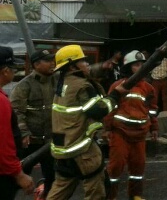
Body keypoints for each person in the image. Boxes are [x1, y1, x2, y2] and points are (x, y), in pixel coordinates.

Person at [46, 44, 126, 200]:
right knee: (95, 189)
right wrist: (116, 95)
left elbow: (89, 72)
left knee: (60, 189)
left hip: (63, 149)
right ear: (72, 66)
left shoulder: (63, 83)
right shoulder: (82, 86)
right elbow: (98, 110)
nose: (87, 64)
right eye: (83, 61)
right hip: (82, 149)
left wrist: (104, 66)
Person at [104, 50, 158, 200]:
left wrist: (154, 128)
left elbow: (152, 111)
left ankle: (136, 196)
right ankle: (110, 197)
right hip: (120, 133)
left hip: (140, 135)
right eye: (136, 65)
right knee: (115, 168)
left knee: (138, 168)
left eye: (142, 65)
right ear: (128, 67)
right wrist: (107, 129)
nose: (140, 68)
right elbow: (110, 107)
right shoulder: (118, 85)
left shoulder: (148, 88)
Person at [9, 49, 57, 198]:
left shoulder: (58, 80)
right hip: (30, 143)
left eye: (52, 60)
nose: (52, 63)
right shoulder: (25, 85)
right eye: (48, 60)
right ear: (36, 64)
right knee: (18, 180)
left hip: (50, 142)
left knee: (53, 179)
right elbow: (16, 111)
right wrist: (24, 133)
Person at [0, 46, 35, 200]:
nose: (15, 73)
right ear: (5, 71)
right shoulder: (1, 101)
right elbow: (3, 143)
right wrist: (18, 174)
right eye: (14, 69)